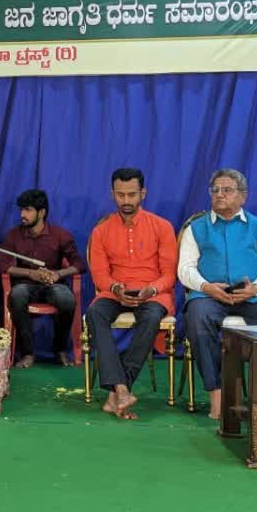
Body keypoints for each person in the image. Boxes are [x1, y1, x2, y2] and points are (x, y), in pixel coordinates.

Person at [179, 169, 257, 419]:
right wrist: (207, 287)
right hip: (209, 295)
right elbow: (185, 269)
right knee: (197, 316)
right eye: (215, 190)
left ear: (243, 197)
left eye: (226, 190)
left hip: (253, 295)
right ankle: (217, 394)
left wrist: (256, 288)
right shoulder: (197, 228)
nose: (219, 195)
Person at [86, 168, 177, 419]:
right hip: (115, 291)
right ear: (112, 194)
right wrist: (116, 288)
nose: (126, 201)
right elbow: (100, 275)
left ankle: (117, 391)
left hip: (153, 292)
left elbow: (170, 274)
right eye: (120, 195)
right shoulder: (101, 232)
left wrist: (152, 289)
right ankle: (122, 389)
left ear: (143, 194)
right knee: (95, 313)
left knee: (150, 317)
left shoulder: (162, 227)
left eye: (132, 195)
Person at [0, 189, 84, 368]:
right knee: (17, 295)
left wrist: (58, 274)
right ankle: (28, 353)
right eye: (21, 210)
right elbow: (2, 265)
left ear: (41, 212)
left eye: (27, 210)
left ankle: (59, 350)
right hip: (25, 286)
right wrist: (30, 273)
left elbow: (79, 265)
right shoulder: (14, 235)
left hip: (53, 285)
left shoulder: (60, 235)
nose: (22, 214)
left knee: (66, 299)